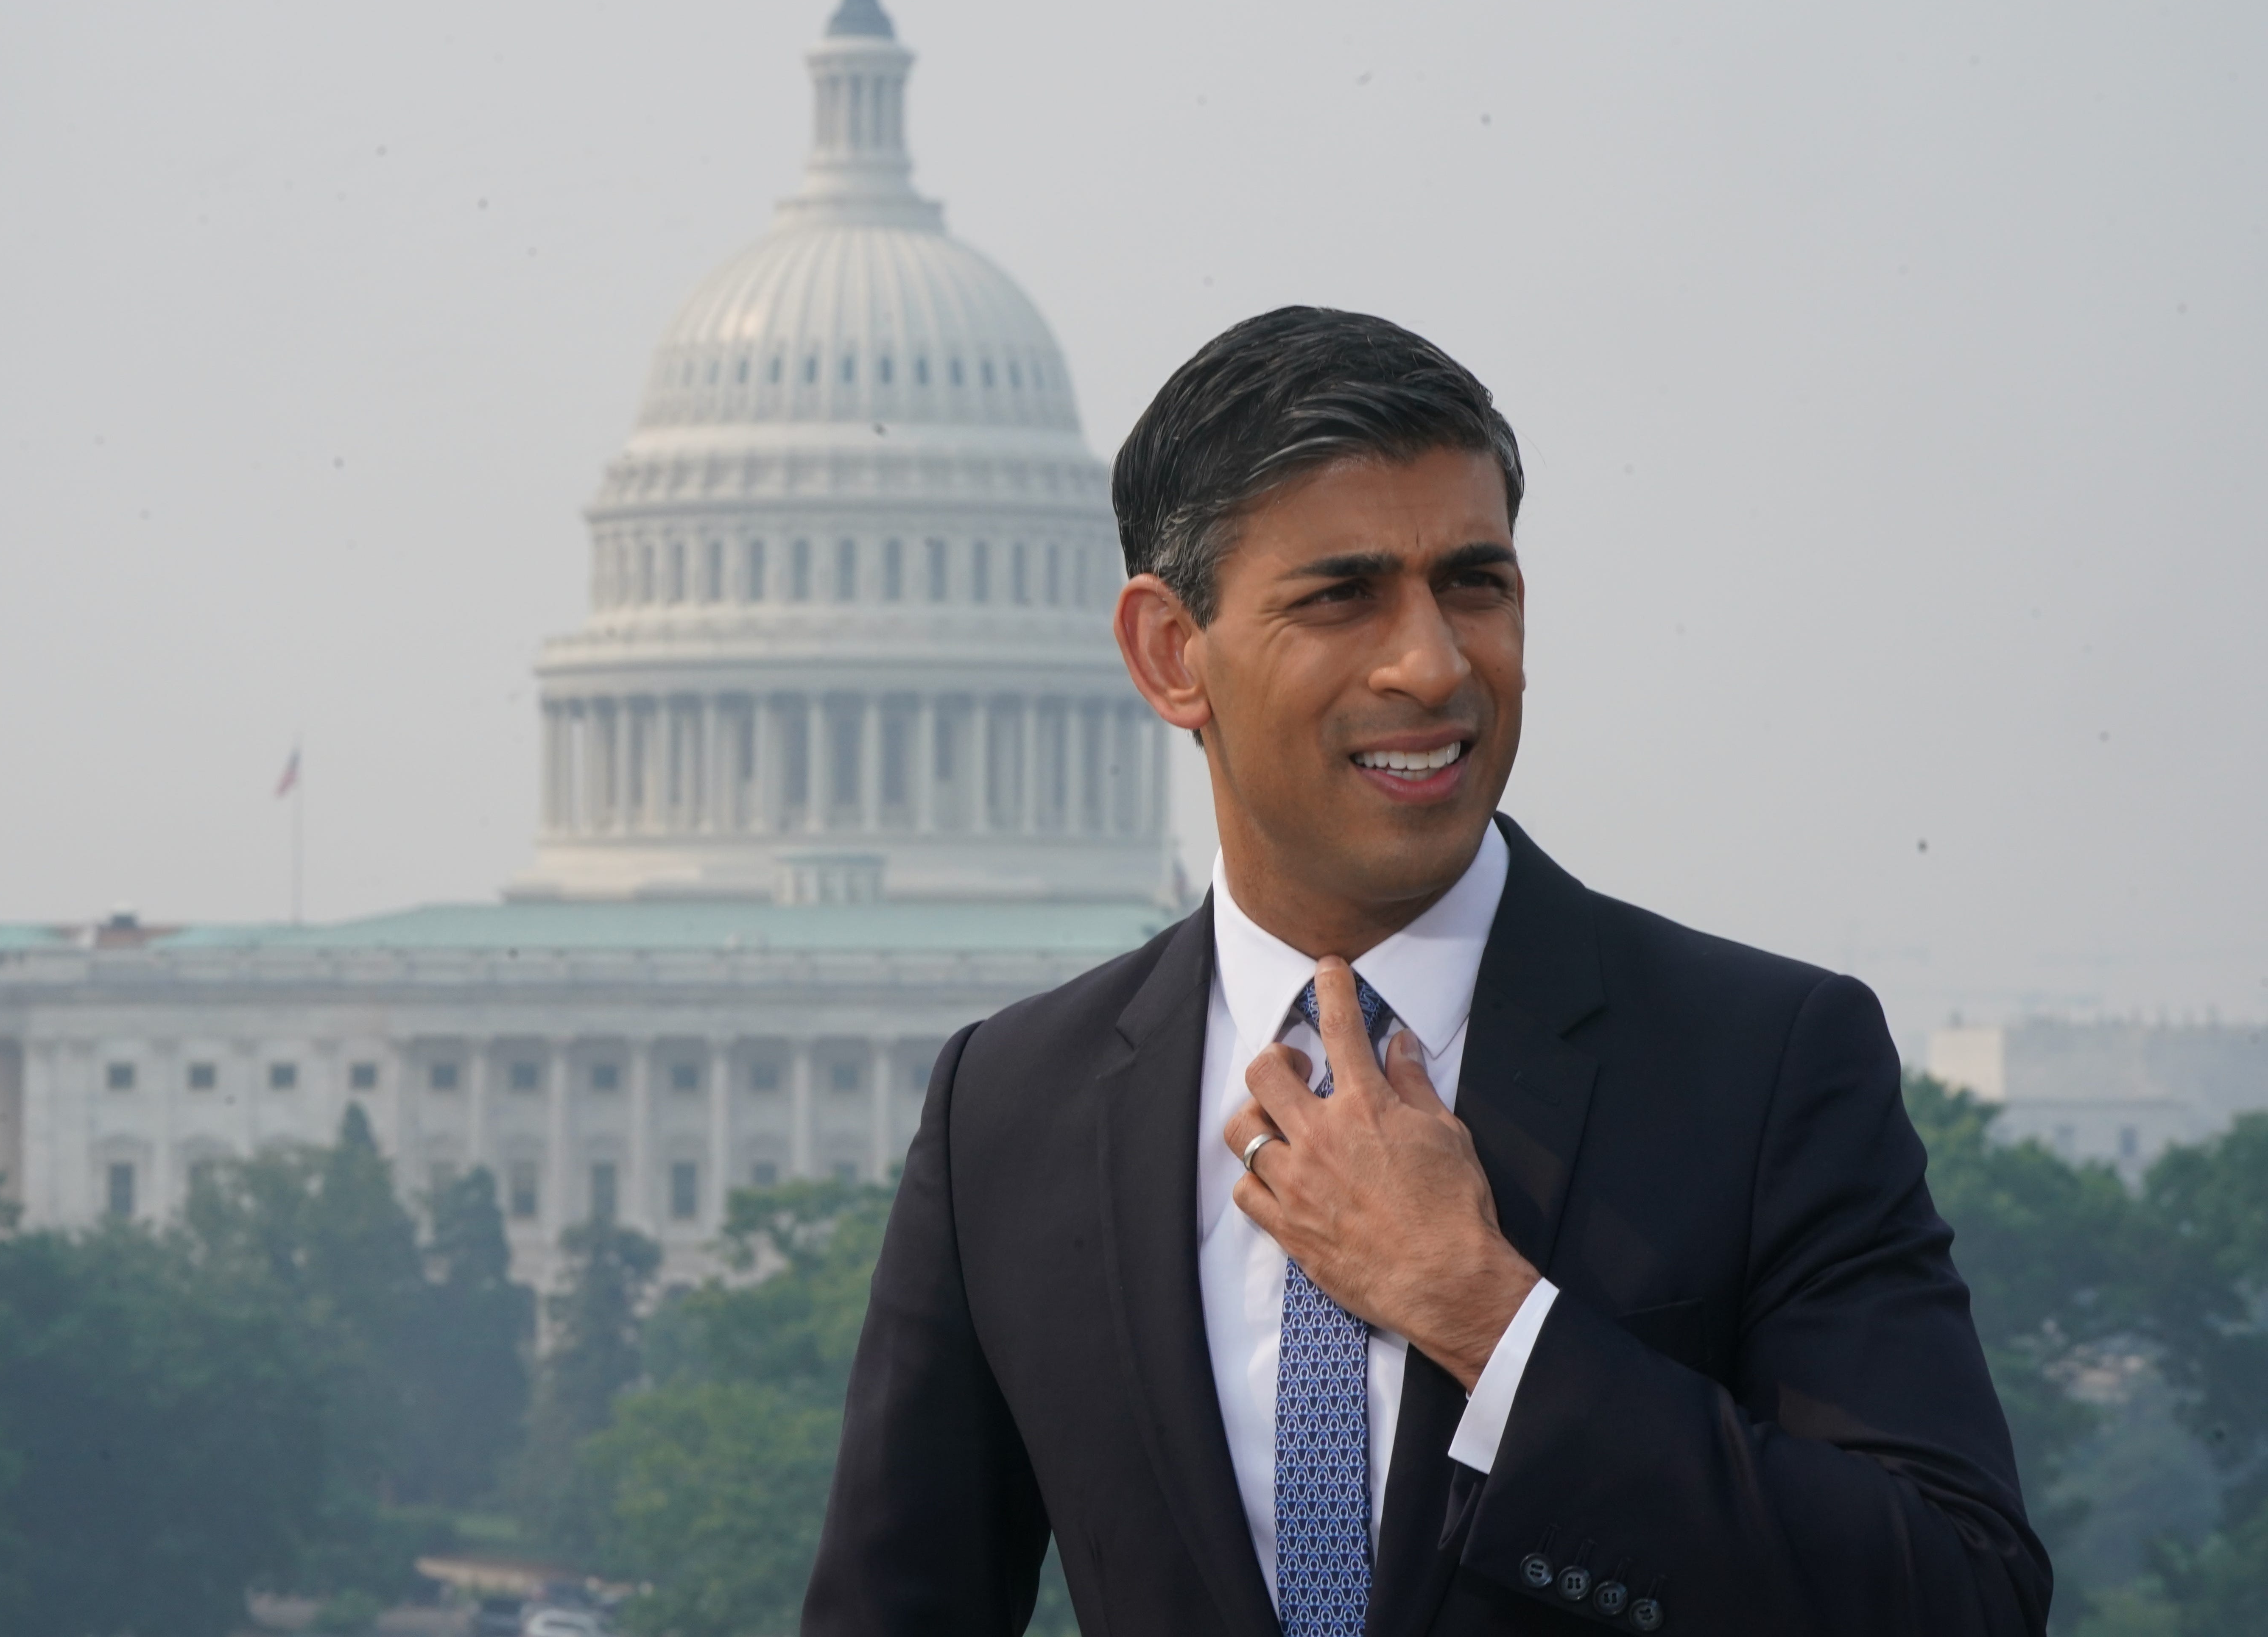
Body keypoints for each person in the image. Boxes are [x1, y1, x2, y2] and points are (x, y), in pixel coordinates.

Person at [802, 307, 2050, 1635]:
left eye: (1476, 583)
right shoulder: (1010, 1107)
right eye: (1344, 595)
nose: (1436, 663)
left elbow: (1959, 1596)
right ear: (1172, 654)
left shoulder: (1763, 1061)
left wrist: (1491, 1319)